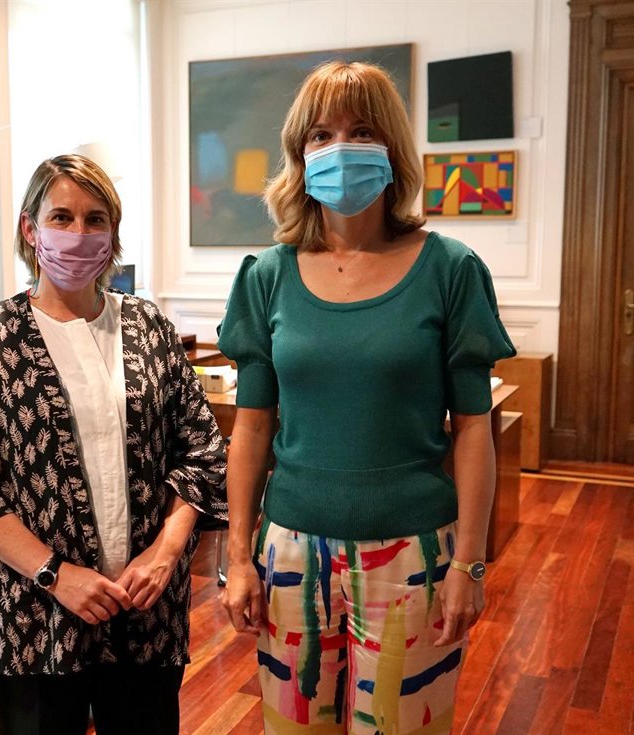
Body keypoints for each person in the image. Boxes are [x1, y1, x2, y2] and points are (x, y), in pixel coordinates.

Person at [217, 61, 516, 734]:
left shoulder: (451, 269)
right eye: (321, 134)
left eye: (361, 131)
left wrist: (470, 562)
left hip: (415, 555)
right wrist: (238, 554)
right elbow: (252, 427)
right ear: (300, 153)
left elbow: (474, 427)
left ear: (392, 148)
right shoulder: (266, 276)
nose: (340, 148)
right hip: (290, 553)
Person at [0, 154, 227, 735]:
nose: (78, 233)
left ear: (113, 234)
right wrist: (56, 574)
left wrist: (164, 555)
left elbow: (201, 451)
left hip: (145, 610)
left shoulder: (148, 328)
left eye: (96, 219)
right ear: (30, 228)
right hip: (32, 616)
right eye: (61, 217)